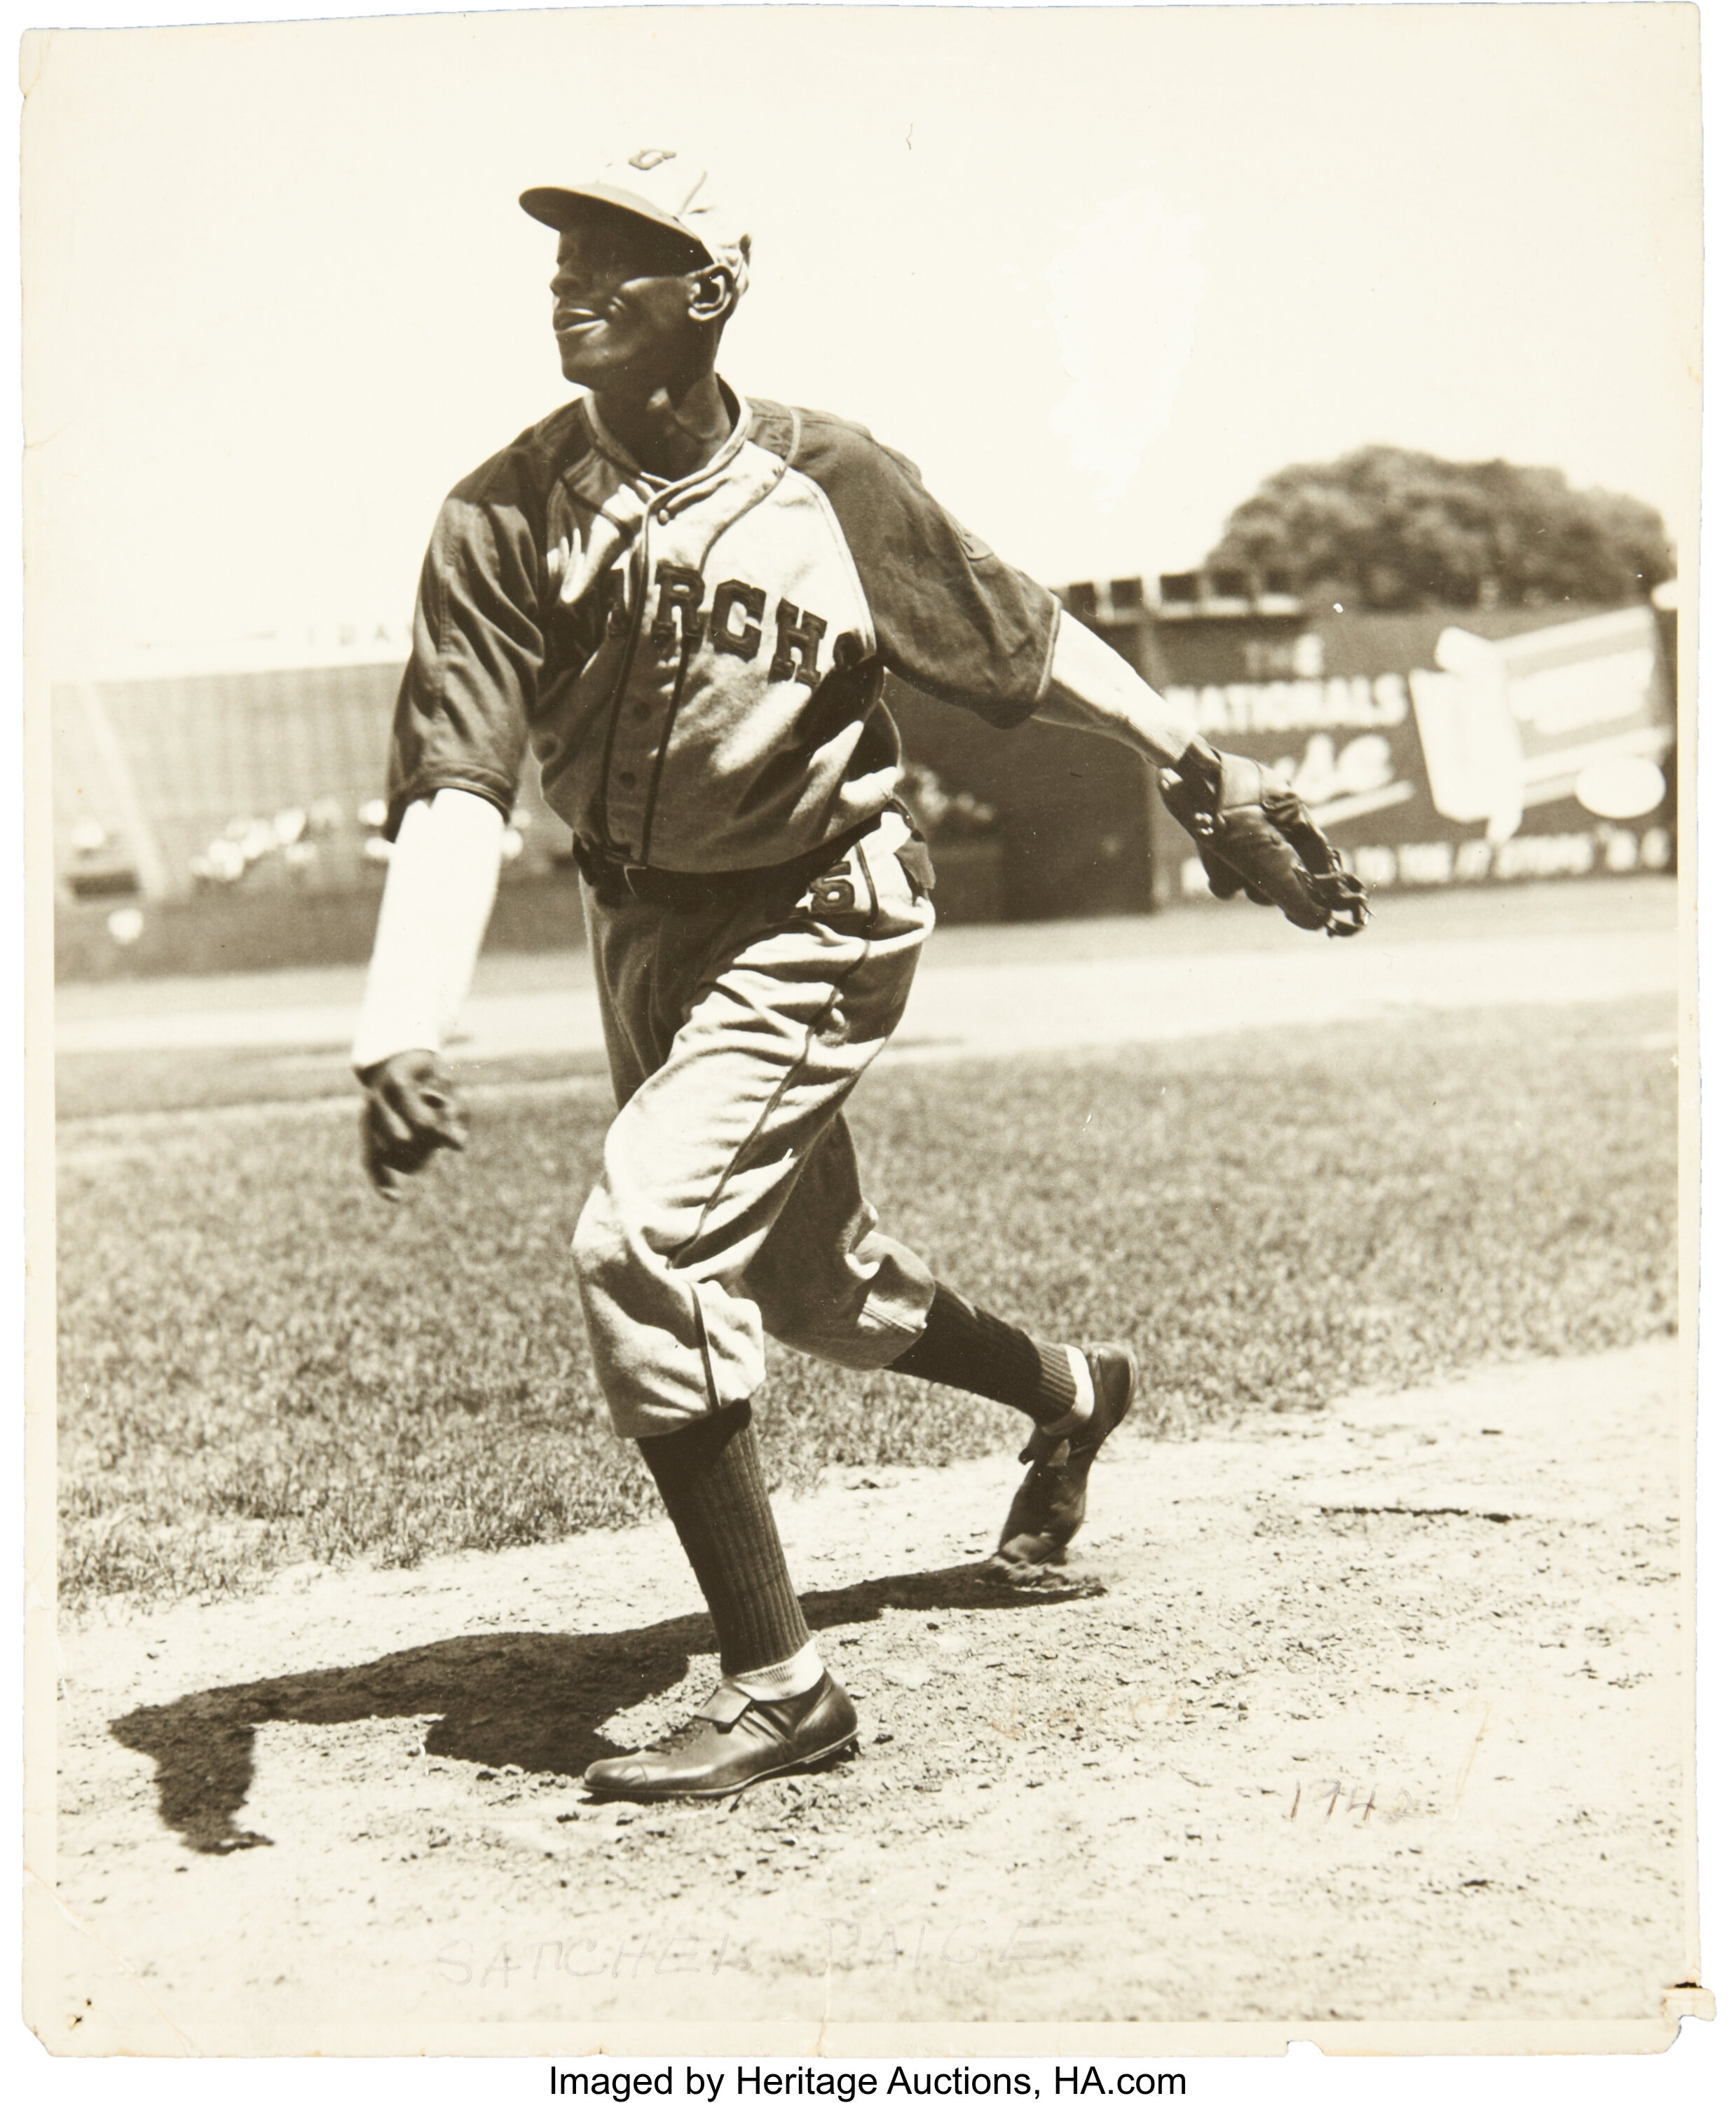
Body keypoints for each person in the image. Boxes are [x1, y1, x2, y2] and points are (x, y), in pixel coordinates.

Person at [353, 150, 1365, 1803]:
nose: (574, 281)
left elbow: (1022, 641)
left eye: (624, 255)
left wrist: (1200, 767)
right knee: (817, 1293)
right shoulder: (498, 511)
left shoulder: (830, 479)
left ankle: (782, 1688)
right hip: (644, 928)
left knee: (646, 1243)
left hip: (824, 905)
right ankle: (1072, 1391)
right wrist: (400, 1015)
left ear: (712, 294)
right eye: (564, 257)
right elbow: (457, 776)